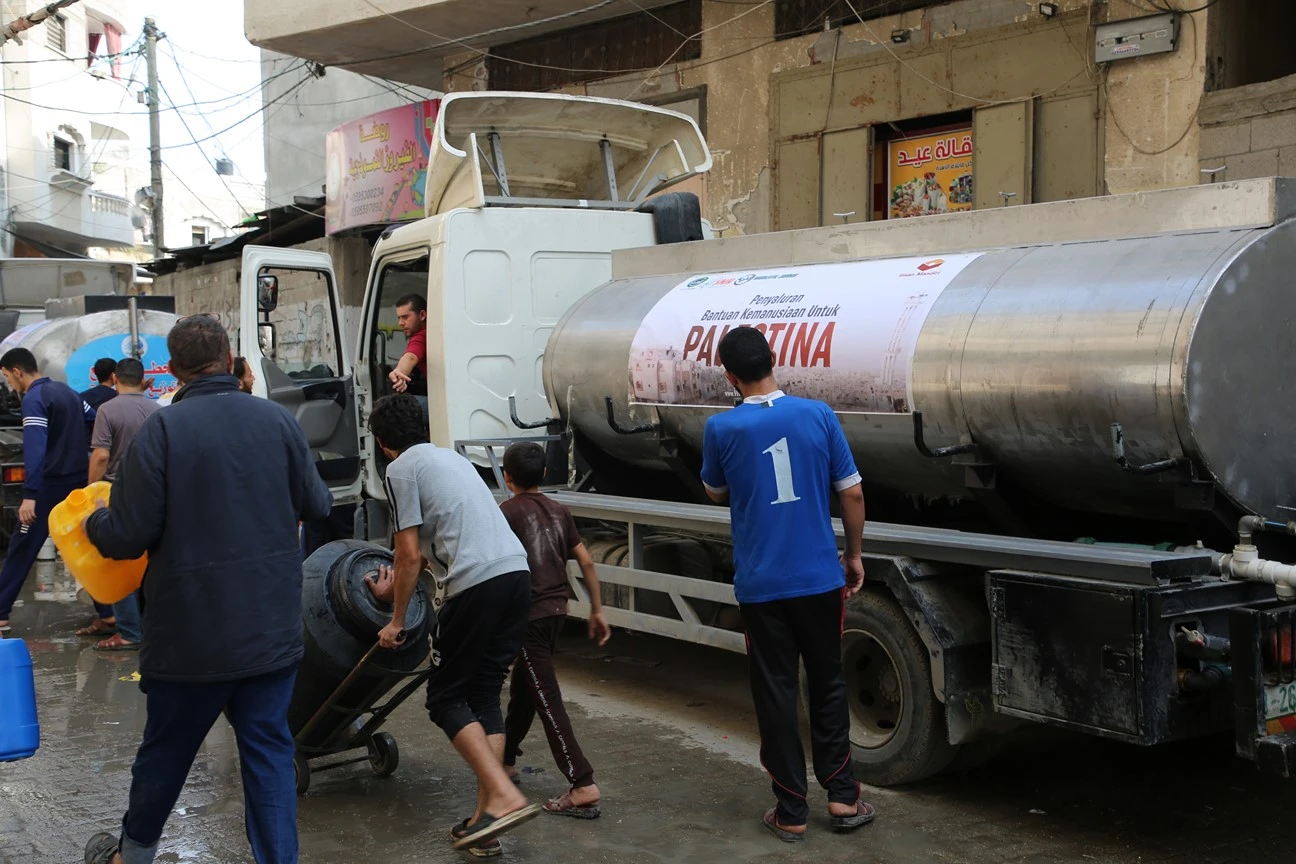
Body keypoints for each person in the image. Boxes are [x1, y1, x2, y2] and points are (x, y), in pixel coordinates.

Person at [81, 315, 332, 864]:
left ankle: (132, 857)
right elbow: (318, 504)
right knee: (268, 753)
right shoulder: (278, 421)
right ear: (231, 360)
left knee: (167, 753)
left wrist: (94, 520)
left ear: (172, 370)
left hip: (189, 637)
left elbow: (126, 536)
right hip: (269, 630)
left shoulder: (163, 432)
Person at [699, 326, 875, 843]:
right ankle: (843, 797)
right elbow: (852, 494)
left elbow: (715, 491)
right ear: (773, 359)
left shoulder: (721, 428)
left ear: (729, 376)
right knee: (828, 683)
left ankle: (792, 810)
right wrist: (854, 555)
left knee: (776, 692)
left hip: (762, 585)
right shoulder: (818, 414)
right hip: (820, 578)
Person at [365, 394, 539, 853]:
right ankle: (488, 823)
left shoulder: (400, 469)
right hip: (515, 575)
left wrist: (396, 620)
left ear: (382, 442)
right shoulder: (450, 460)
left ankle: (502, 794)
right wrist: (393, 589)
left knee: (444, 697)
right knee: (483, 692)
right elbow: (426, 550)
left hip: (475, 585)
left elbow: (408, 555)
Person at [499, 442, 610, 820]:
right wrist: (597, 609)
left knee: (546, 697)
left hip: (528, 616)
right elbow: (587, 561)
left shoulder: (506, 512)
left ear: (506, 476)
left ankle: (582, 783)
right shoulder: (560, 510)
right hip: (557, 611)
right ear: (545, 473)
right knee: (526, 688)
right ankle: (505, 759)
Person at [0, 348, 97, 637]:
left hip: (48, 487)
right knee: (86, 545)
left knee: (22, 547)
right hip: (77, 482)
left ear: (17, 372)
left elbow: (35, 448)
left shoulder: (34, 398)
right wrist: (78, 450)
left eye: (7, 377)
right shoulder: (67, 392)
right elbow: (93, 418)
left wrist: (30, 495)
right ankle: (108, 613)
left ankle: (0, 612)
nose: (9, 384)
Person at [87, 358, 160, 653]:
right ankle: (149, 624)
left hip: (116, 491)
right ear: (143, 380)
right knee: (150, 560)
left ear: (115, 379)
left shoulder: (108, 409)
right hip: (153, 491)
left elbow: (101, 456)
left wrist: (90, 490)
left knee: (117, 560)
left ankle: (129, 631)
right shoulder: (156, 409)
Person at [386, 294, 428, 396]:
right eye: (399, 318)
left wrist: (398, 372)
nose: (400, 323)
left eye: (405, 317)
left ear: (422, 315)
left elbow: (410, 357)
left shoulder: (422, 336)